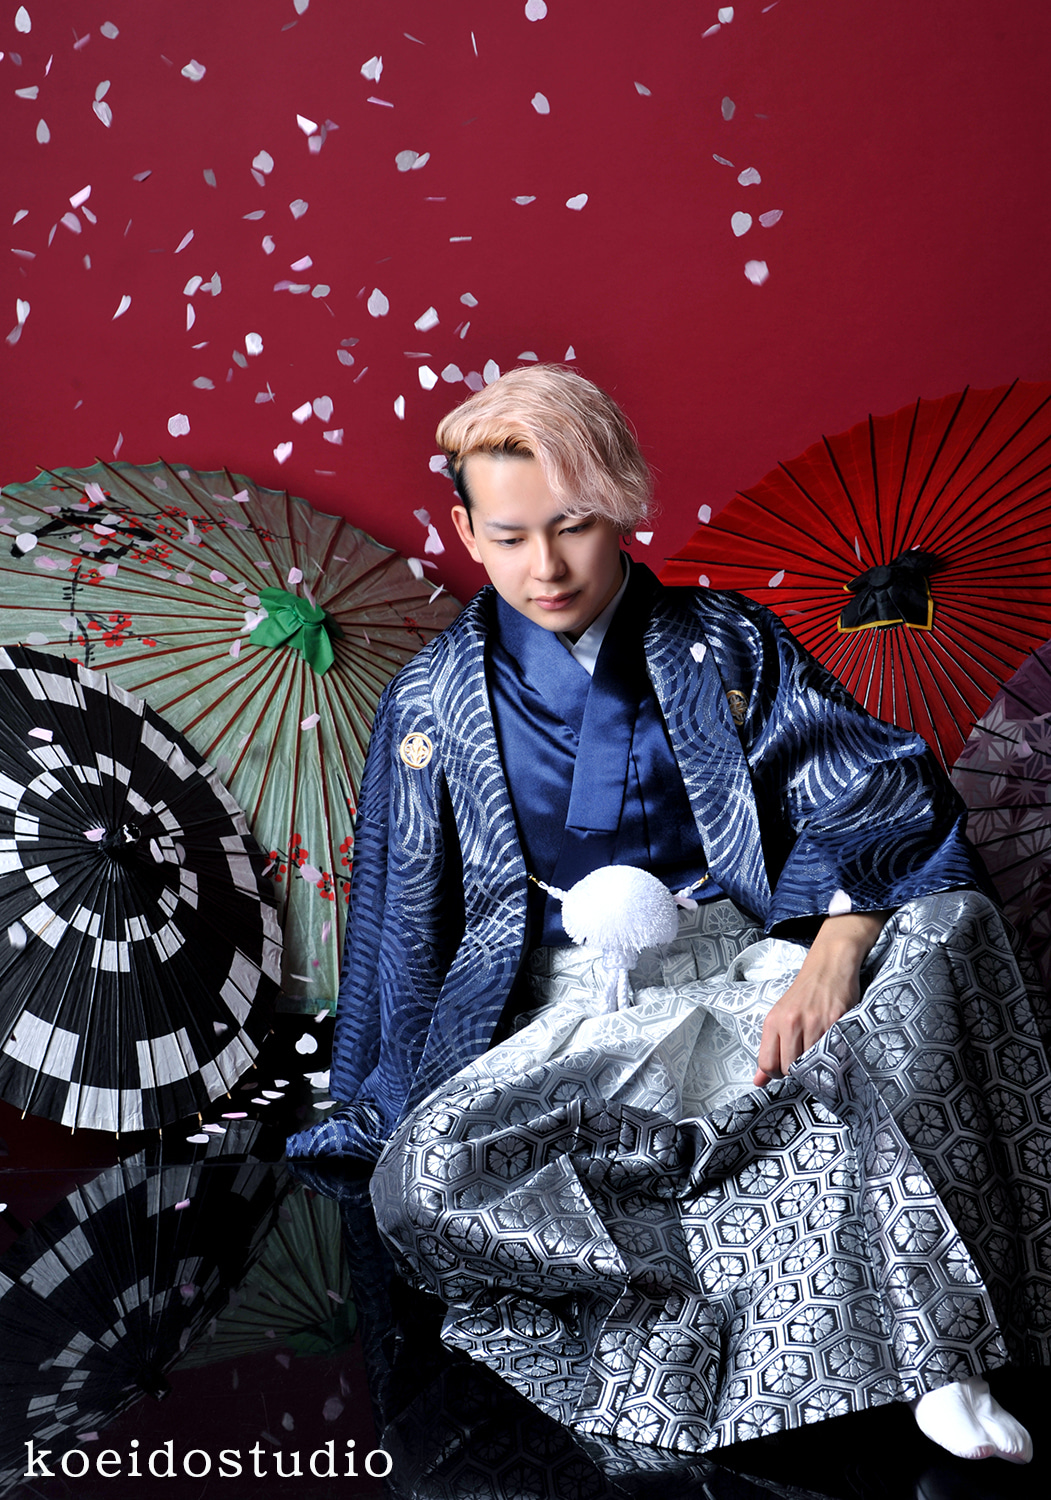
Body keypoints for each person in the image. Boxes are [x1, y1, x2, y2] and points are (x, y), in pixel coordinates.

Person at [288, 365, 1050, 1463]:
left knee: (940, 933)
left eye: (574, 526)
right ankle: (741, 1291)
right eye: (507, 537)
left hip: (738, 971)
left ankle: (937, 1356)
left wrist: (835, 947)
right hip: (563, 1009)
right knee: (424, 1186)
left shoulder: (724, 643)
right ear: (462, 530)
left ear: (623, 507)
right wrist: (380, 1093)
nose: (545, 568)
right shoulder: (431, 699)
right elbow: (404, 922)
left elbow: (870, 794)